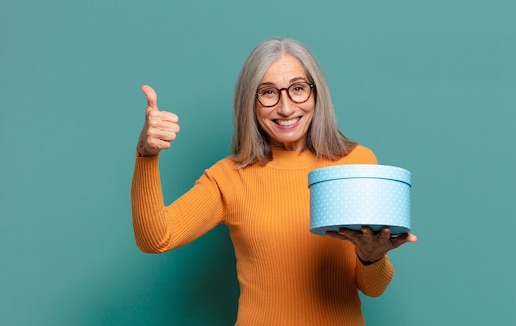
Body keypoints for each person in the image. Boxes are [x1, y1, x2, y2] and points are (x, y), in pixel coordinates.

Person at [131, 37, 417, 325]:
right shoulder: (229, 177)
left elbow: (374, 288)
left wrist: (372, 258)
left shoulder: (357, 164)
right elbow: (156, 239)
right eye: (268, 92)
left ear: (316, 94)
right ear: (250, 102)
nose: (285, 107)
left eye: (298, 89)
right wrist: (146, 155)